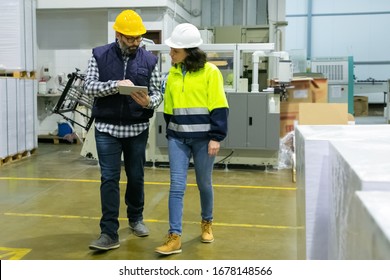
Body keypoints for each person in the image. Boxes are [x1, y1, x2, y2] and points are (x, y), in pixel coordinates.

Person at [84, 9, 163, 251]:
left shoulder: (149, 60)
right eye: (130, 38)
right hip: (107, 128)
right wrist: (115, 85)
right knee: (109, 178)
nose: (135, 42)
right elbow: (89, 86)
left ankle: (136, 218)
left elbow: (158, 92)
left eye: (138, 38)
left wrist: (148, 102)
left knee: (136, 176)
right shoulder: (99, 55)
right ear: (118, 34)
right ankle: (108, 232)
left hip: (137, 128)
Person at [155, 23, 229, 255]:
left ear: (189, 51)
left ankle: (207, 221)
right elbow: (169, 108)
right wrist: (171, 131)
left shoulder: (210, 72)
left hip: (203, 139)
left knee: (203, 184)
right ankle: (174, 236)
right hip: (178, 138)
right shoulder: (173, 74)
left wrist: (216, 137)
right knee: (176, 186)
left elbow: (219, 106)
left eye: (175, 51)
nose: (171, 54)